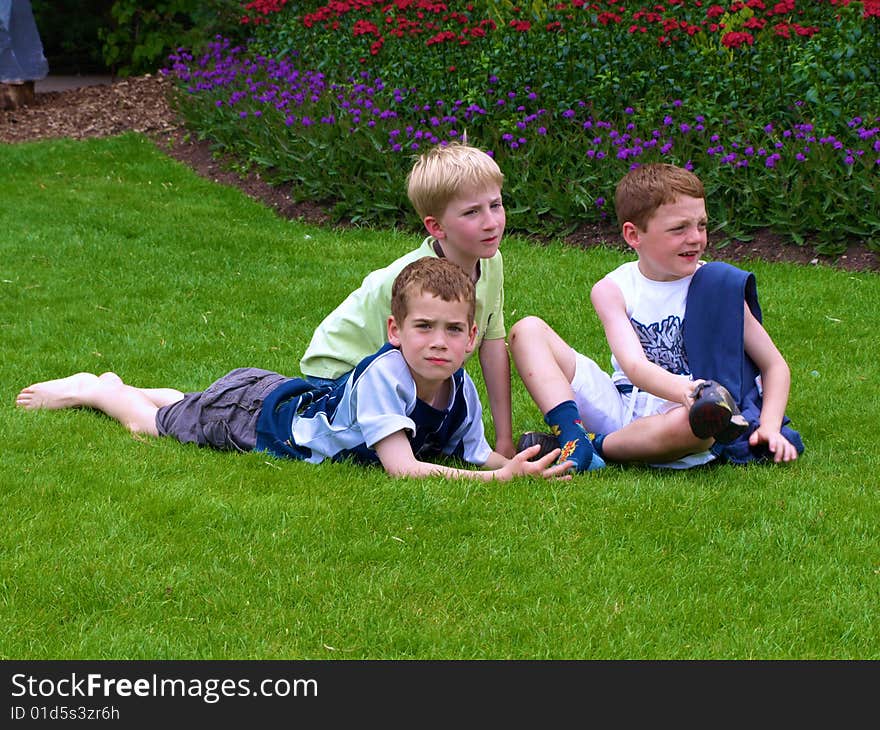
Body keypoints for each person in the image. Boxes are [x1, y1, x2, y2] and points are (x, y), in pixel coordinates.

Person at [16, 258, 571, 482]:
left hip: (266, 396)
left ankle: (154, 392)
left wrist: (524, 466)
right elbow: (402, 468)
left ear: (473, 339)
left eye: (453, 331)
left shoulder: (462, 391)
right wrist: (497, 480)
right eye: (423, 327)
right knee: (148, 427)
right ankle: (100, 389)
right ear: (394, 332)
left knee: (188, 403)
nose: (438, 343)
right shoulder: (386, 377)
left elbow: (477, 455)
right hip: (259, 418)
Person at [509, 162, 803, 471]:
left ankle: (590, 446)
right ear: (634, 235)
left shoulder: (719, 287)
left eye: (701, 225)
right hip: (622, 402)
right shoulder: (614, 289)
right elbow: (635, 367)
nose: (696, 238)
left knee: (705, 425)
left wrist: (769, 426)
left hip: (681, 414)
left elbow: (774, 365)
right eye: (680, 228)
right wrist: (684, 389)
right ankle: (573, 434)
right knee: (527, 330)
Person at [299, 141, 516, 457]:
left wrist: (505, 441)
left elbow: (492, 344)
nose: (491, 222)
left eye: (495, 205)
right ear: (436, 226)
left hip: (403, 372)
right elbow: (392, 363)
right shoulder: (412, 278)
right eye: (472, 212)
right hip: (337, 377)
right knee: (418, 444)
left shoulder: (491, 261)